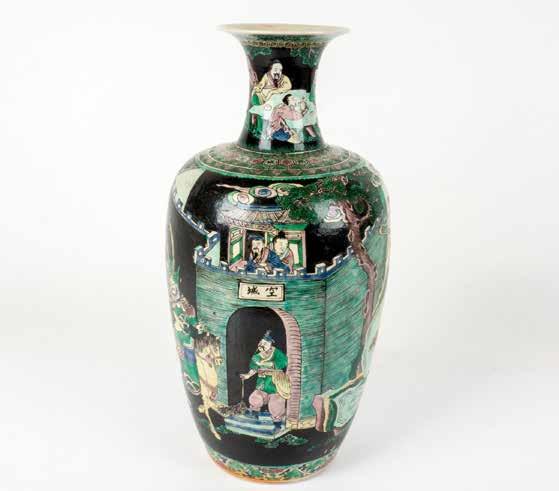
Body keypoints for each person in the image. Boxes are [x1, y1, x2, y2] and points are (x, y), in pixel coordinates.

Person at [240, 331, 291, 425]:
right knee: (255, 398)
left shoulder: (276, 352)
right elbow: (254, 368)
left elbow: (284, 361)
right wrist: (247, 375)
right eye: (262, 343)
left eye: (266, 343)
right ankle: (254, 414)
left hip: (275, 383)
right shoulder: (257, 357)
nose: (262, 345)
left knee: (275, 404)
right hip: (262, 384)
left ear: (270, 345)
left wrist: (270, 364)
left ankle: (277, 419)